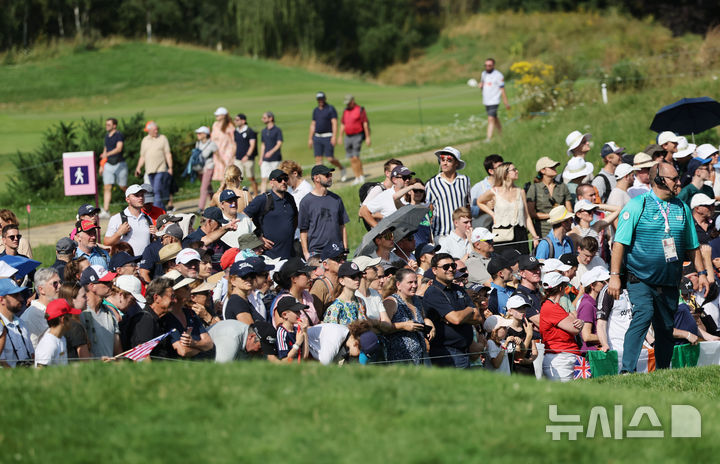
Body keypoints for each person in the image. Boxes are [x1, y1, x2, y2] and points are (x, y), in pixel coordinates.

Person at [609, 161, 709, 373]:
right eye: (674, 178)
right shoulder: (638, 205)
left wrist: (702, 273)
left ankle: (663, 372)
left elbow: (693, 246)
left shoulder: (681, 207)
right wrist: (615, 276)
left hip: (670, 279)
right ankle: (627, 370)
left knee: (665, 326)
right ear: (659, 180)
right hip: (640, 277)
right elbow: (620, 243)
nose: (679, 182)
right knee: (644, 314)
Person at [423, 253, 482, 368]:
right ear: (434, 270)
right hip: (447, 354)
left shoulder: (459, 289)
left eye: (453, 266)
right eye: (446, 267)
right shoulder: (433, 292)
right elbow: (456, 319)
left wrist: (459, 316)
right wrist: (469, 309)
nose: (451, 269)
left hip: (464, 351)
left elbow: (478, 317)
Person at [477, 162, 539, 255]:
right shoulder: (494, 191)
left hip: (520, 233)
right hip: (502, 235)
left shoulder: (520, 191)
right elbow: (479, 202)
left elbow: (526, 216)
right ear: (505, 173)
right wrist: (493, 214)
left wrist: (534, 236)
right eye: (513, 170)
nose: (517, 171)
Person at [383, 268, 433, 365]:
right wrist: (402, 326)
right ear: (398, 285)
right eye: (410, 282)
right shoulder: (391, 302)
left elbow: (421, 317)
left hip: (420, 357)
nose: (414, 286)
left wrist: (427, 321)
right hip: (399, 359)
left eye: (415, 282)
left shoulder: (416, 300)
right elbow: (383, 328)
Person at [244, 169, 298, 260]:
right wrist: (257, 237)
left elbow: (295, 217)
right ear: (272, 182)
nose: (283, 182)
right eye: (280, 180)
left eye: (285, 179)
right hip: (269, 256)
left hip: (289, 253)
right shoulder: (262, 199)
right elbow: (243, 218)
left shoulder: (290, 198)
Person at [539, 272, 583, 381]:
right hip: (560, 358)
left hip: (563, 356)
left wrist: (580, 322)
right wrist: (579, 323)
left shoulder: (554, 306)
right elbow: (575, 328)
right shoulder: (551, 307)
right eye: (564, 285)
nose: (566, 287)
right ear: (559, 288)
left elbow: (575, 324)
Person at [298, 165, 349, 259]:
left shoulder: (336, 199)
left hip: (337, 250)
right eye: (327, 175)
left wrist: (345, 249)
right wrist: (306, 253)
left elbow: (342, 226)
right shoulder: (306, 202)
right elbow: (303, 230)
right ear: (316, 178)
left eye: (330, 174)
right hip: (316, 252)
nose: (330, 177)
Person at [161, 276, 215, 360]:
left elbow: (209, 344)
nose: (190, 289)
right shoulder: (167, 317)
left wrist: (193, 343)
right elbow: (183, 351)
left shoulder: (190, 313)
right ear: (174, 292)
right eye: (186, 287)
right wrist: (203, 349)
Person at [123, 277, 175, 359]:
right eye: (172, 297)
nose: (175, 300)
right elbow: (141, 355)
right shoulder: (145, 320)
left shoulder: (162, 320)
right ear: (156, 298)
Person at [425, 146, 470, 239]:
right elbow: (428, 208)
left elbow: (468, 206)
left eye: (449, 160)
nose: (444, 163)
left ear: (456, 163)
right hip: (441, 235)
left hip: (462, 234)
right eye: (442, 159)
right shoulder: (432, 183)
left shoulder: (464, 180)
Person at [78, 265, 121, 358]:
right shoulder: (79, 314)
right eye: (106, 282)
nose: (111, 284)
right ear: (92, 286)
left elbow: (117, 352)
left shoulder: (110, 313)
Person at [526, 157, 573, 238]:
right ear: (542, 170)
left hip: (562, 228)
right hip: (542, 230)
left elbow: (570, 209)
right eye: (551, 167)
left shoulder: (562, 186)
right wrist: (552, 216)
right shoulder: (534, 188)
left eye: (555, 167)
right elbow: (531, 213)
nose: (555, 169)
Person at [104, 184, 153, 256]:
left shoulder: (147, 218)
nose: (140, 198)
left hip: (146, 264)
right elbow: (106, 242)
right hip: (128, 265)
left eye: (142, 195)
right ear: (127, 200)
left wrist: (156, 235)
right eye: (136, 195)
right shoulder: (117, 218)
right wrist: (119, 233)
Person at [272, 257, 320, 327]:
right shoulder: (283, 302)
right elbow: (283, 331)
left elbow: (316, 321)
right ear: (294, 279)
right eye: (306, 274)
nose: (310, 277)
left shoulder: (307, 296)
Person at [135, 121, 173, 209]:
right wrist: (138, 167)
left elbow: (168, 154)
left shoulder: (163, 138)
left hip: (161, 169)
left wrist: (170, 167)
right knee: (154, 192)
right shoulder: (145, 140)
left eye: (157, 129)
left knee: (156, 190)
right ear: (149, 131)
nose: (156, 131)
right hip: (149, 170)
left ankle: (157, 211)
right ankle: (162, 210)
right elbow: (142, 156)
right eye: (154, 130)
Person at [20, 267, 60, 349]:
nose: (60, 286)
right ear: (41, 290)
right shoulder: (32, 315)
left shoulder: (58, 310)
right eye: (55, 284)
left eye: (60, 282)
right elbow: (33, 351)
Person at [34, 299, 81, 367]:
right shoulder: (48, 344)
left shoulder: (61, 338)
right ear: (63, 319)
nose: (72, 320)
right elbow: (40, 374)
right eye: (70, 316)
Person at [309, 91, 345, 177]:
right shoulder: (316, 110)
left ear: (325, 99)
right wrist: (310, 138)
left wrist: (334, 136)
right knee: (318, 159)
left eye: (321, 99)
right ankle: (322, 178)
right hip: (317, 137)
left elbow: (334, 123)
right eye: (319, 99)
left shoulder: (330, 109)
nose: (320, 100)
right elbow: (313, 124)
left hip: (328, 136)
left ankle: (341, 167)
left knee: (330, 158)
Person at [577, 267, 610, 352]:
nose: (607, 284)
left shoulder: (596, 303)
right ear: (592, 285)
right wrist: (609, 337)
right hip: (592, 354)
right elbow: (586, 336)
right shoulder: (587, 305)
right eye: (603, 282)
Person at [0, 279, 33, 367]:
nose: (21, 299)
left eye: (20, 294)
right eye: (15, 295)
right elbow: (1, 363)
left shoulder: (21, 323)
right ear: (1, 299)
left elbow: (31, 354)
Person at [338, 94, 370, 184]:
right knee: (351, 158)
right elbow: (343, 124)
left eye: (349, 103)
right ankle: (356, 177)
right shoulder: (345, 110)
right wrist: (340, 136)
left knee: (356, 157)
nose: (347, 105)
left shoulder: (360, 109)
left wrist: (367, 137)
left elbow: (365, 124)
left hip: (357, 135)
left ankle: (361, 176)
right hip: (348, 136)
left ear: (353, 101)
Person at [99, 118, 127, 218]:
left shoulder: (118, 135)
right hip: (108, 164)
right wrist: (102, 164)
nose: (107, 126)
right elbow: (105, 149)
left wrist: (107, 154)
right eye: (106, 124)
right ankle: (106, 210)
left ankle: (135, 202)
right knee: (107, 187)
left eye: (109, 124)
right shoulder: (107, 136)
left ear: (114, 125)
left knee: (122, 186)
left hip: (119, 164)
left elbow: (119, 148)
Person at [477, 58, 510, 141]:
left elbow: (502, 89)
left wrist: (506, 102)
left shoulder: (498, 75)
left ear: (493, 65)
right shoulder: (483, 74)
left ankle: (488, 138)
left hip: (494, 100)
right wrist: (481, 86)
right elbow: (483, 86)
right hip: (486, 100)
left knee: (490, 118)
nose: (487, 67)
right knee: (494, 118)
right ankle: (500, 134)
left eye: (489, 65)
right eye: (486, 65)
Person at [58, 282, 91, 359]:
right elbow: (86, 362)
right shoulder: (75, 326)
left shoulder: (62, 321)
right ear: (71, 300)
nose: (87, 298)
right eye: (84, 296)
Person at [470, 154, 504, 228]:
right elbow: (469, 210)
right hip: (484, 231)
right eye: (499, 167)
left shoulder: (507, 185)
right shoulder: (478, 188)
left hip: (504, 230)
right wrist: (484, 207)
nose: (504, 169)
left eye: (504, 166)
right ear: (491, 171)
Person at [194, 126, 220, 211]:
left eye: (200, 133)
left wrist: (223, 166)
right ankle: (215, 202)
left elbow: (218, 156)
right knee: (208, 187)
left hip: (209, 167)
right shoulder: (198, 143)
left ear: (205, 134)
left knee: (203, 188)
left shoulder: (212, 144)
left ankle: (201, 207)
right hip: (200, 169)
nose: (198, 135)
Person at [232, 113, 258, 195]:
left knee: (251, 177)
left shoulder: (250, 131)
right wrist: (233, 155)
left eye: (237, 120)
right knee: (238, 178)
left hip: (248, 159)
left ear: (243, 121)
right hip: (238, 158)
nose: (235, 121)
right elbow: (236, 145)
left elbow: (252, 145)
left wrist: (247, 156)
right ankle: (239, 195)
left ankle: (256, 193)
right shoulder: (235, 131)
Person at [260, 111, 283, 193]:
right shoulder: (263, 131)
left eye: (264, 118)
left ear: (271, 118)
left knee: (276, 179)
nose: (262, 119)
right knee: (264, 178)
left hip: (275, 158)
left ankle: (276, 194)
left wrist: (271, 152)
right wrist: (261, 158)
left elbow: (279, 143)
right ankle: (263, 196)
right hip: (265, 159)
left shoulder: (277, 130)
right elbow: (263, 145)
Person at [210, 107, 236, 181]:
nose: (216, 116)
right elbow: (213, 138)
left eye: (218, 115)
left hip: (227, 152)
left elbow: (234, 141)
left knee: (227, 174)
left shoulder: (229, 126)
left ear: (223, 116)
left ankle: (225, 191)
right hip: (218, 152)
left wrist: (232, 154)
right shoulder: (215, 125)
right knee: (221, 175)